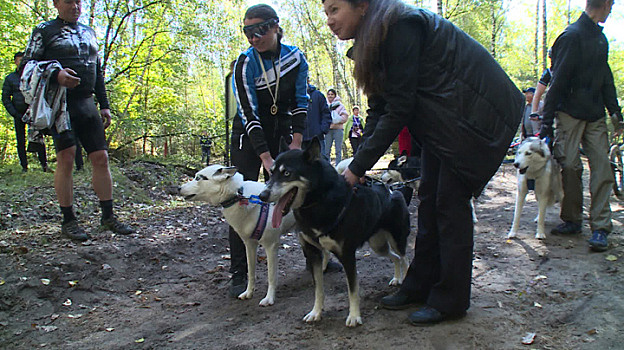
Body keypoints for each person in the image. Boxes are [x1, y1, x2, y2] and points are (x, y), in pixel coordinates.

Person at [322, 0, 523, 325]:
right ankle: (420, 283)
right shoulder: (372, 39)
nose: (329, 20)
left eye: (334, 9)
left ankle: (451, 300)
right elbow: (378, 108)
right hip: (443, 125)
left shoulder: (399, 25)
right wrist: (356, 164)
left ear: (361, 6)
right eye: (325, 12)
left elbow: (400, 108)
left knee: (448, 204)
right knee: (429, 200)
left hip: (470, 117)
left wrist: (357, 170)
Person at [20, 0, 133, 241]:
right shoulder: (44, 30)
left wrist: (104, 105)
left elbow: (98, 70)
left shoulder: (89, 32)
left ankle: (108, 216)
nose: (75, 6)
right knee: (67, 157)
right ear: (56, 4)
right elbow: (26, 67)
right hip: (61, 103)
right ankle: (68, 220)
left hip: (87, 103)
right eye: (69, 1)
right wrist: (56, 74)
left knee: (101, 158)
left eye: (79, 1)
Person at [230, 4, 308, 297]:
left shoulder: (295, 57)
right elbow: (248, 112)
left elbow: (301, 100)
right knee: (241, 199)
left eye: (259, 30)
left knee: (297, 193)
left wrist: (296, 143)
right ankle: (239, 273)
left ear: (275, 26)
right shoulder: (244, 63)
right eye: (247, 31)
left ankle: (315, 257)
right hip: (248, 136)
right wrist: (265, 157)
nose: (253, 37)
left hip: (281, 130)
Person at [539, 0, 622, 252]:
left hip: (595, 115)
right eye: (612, 5)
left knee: (602, 168)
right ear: (605, 3)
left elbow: (605, 79)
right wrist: (546, 124)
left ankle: (600, 227)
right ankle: (572, 219)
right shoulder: (571, 36)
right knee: (571, 166)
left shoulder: (600, 40)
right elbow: (558, 80)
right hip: (569, 114)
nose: (612, 10)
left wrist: (615, 113)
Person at [2, 52, 48, 172]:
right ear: (15, 62)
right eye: (19, 60)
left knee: (38, 137)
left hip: (34, 112)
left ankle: (44, 165)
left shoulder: (34, 75)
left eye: (24, 60)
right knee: (20, 140)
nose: (22, 62)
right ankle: (24, 167)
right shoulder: (10, 78)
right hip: (18, 114)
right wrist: (15, 113)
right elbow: (5, 98)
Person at [303, 79, 331, 159]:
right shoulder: (296, 95)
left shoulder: (318, 95)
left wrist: (323, 129)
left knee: (321, 161)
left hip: (317, 137)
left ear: (308, 80)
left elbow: (326, 113)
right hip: (300, 137)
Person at [324, 88, 348, 165]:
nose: (330, 96)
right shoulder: (324, 105)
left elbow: (345, 117)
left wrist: (338, 120)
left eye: (332, 94)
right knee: (326, 150)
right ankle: (327, 165)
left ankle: (338, 166)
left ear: (335, 96)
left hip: (338, 130)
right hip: (328, 130)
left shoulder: (340, 105)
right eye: (329, 94)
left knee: (338, 150)